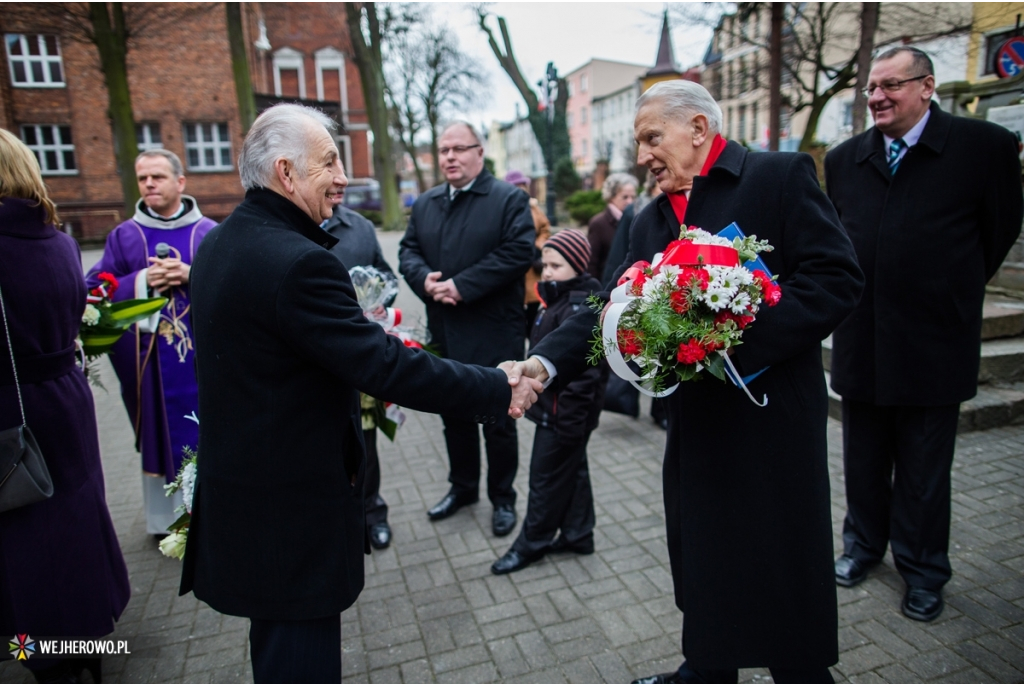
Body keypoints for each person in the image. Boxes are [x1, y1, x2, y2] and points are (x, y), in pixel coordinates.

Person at [502, 80, 864, 683]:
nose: (643, 155)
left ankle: (801, 672)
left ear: (698, 129)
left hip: (771, 417)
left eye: (651, 138)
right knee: (706, 552)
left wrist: (727, 337)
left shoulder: (777, 177)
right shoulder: (645, 220)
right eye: (640, 142)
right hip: (698, 427)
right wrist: (543, 363)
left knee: (778, 554)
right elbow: (604, 309)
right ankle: (706, 666)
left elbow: (836, 279)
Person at [179, 103, 540, 684]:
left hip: (247, 498)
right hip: (291, 514)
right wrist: (497, 385)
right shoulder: (298, 262)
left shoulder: (221, 244)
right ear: (286, 173)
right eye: (328, 162)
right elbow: (385, 366)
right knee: (300, 660)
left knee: (275, 649)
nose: (343, 176)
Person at [825, 47, 1023, 622]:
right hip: (862, 340)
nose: (878, 97)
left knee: (924, 471)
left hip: (936, 341)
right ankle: (861, 547)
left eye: (891, 85)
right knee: (862, 462)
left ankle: (923, 571)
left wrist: (950, 287)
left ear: (927, 86)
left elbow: (1000, 229)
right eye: (870, 89)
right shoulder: (844, 158)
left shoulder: (982, 148)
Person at [0, 129, 130, 683]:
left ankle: (46, 658)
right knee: (75, 519)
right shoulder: (59, 240)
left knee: (25, 543)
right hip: (65, 397)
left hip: (13, 410)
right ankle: (87, 644)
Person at [399, 122, 535, 537]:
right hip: (444, 331)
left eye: (459, 149)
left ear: (480, 153)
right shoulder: (425, 203)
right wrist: (424, 279)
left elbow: (519, 251)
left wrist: (462, 285)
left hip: (494, 332)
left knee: (498, 420)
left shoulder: (508, 199)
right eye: (443, 150)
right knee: (452, 416)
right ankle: (462, 489)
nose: (450, 158)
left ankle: (503, 499)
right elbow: (408, 249)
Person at [86, 149, 216, 535]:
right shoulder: (124, 236)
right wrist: (141, 282)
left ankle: (215, 513)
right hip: (151, 370)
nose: (149, 185)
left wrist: (193, 275)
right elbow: (95, 292)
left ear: (180, 182)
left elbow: (234, 287)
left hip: (202, 361)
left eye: (158, 177)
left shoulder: (208, 232)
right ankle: (168, 522)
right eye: (143, 178)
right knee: (164, 434)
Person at [492, 229, 607, 575]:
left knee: (544, 479)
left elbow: (584, 375)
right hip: (559, 415)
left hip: (562, 418)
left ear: (578, 266)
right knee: (573, 469)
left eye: (556, 266)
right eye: (544, 265)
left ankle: (532, 543)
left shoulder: (576, 307)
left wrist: (567, 425)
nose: (547, 273)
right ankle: (578, 533)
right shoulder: (560, 298)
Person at [322, 202, 397, 550]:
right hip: (312, 361)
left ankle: (373, 514)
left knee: (365, 443)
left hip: (357, 356)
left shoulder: (360, 227)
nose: (339, 181)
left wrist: (384, 298)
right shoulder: (284, 228)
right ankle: (333, 524)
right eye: (328, 169)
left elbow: (386, 275)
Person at [505, 169, 551, 338]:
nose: (521, 188)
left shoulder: (533, 208)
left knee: (533, 307)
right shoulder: (504, 208)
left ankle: (532, 340)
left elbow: (545, 228)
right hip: (513, 265)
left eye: (522, 185)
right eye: (517, 185)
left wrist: (537, 244)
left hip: (532, 267)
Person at [587, 172, 637, 280]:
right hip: (606, 283)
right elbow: (592, 263)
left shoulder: (634, 220)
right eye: (625, 197)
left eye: (633, 197)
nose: (630, 201)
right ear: (611, 197)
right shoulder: (598, 223)